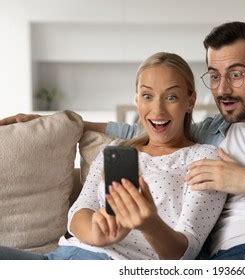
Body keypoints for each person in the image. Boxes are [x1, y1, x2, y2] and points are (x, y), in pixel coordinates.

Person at [0, 22, 245, 260]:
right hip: (220, 258)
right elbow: (146, 133)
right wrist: (64, 121)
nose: (223, 89)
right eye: (214, 75)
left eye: (237, 74)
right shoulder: (211, 130)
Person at [0, 52, 226, 260]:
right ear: (137, 99)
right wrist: (98, 233)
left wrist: (150, 224)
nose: (157, 110)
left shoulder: (203, 157)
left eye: (171, 97)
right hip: (58, 258)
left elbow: (186, 253)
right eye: (147, 96)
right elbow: (78, 213)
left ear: (190, 101)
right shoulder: (117, 150)